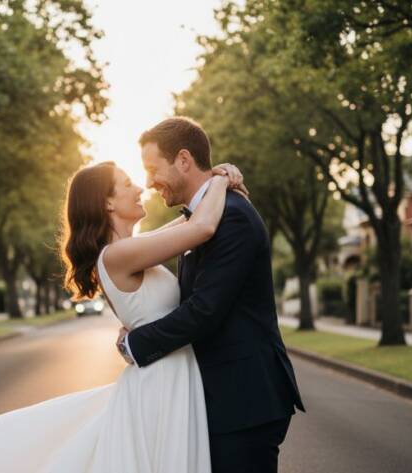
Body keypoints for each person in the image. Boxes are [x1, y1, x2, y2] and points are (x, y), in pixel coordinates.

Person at [0, 155, 249, 472]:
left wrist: (217, 182)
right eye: (128, 182)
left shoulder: (132, 247)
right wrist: (220, 178)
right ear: (107, 203)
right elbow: (201, 226)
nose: (141, 187)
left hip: (167, 375)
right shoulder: (117, 255)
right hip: (160, 382)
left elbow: (186, 222)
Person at [119, 117, 304, 472]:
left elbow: (204, 310)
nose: (148, 182)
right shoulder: (201, 219)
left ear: (184, 160)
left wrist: (136, 344)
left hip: (245, 401)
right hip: (224, 401)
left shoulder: (231, 217)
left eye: (152, 168)